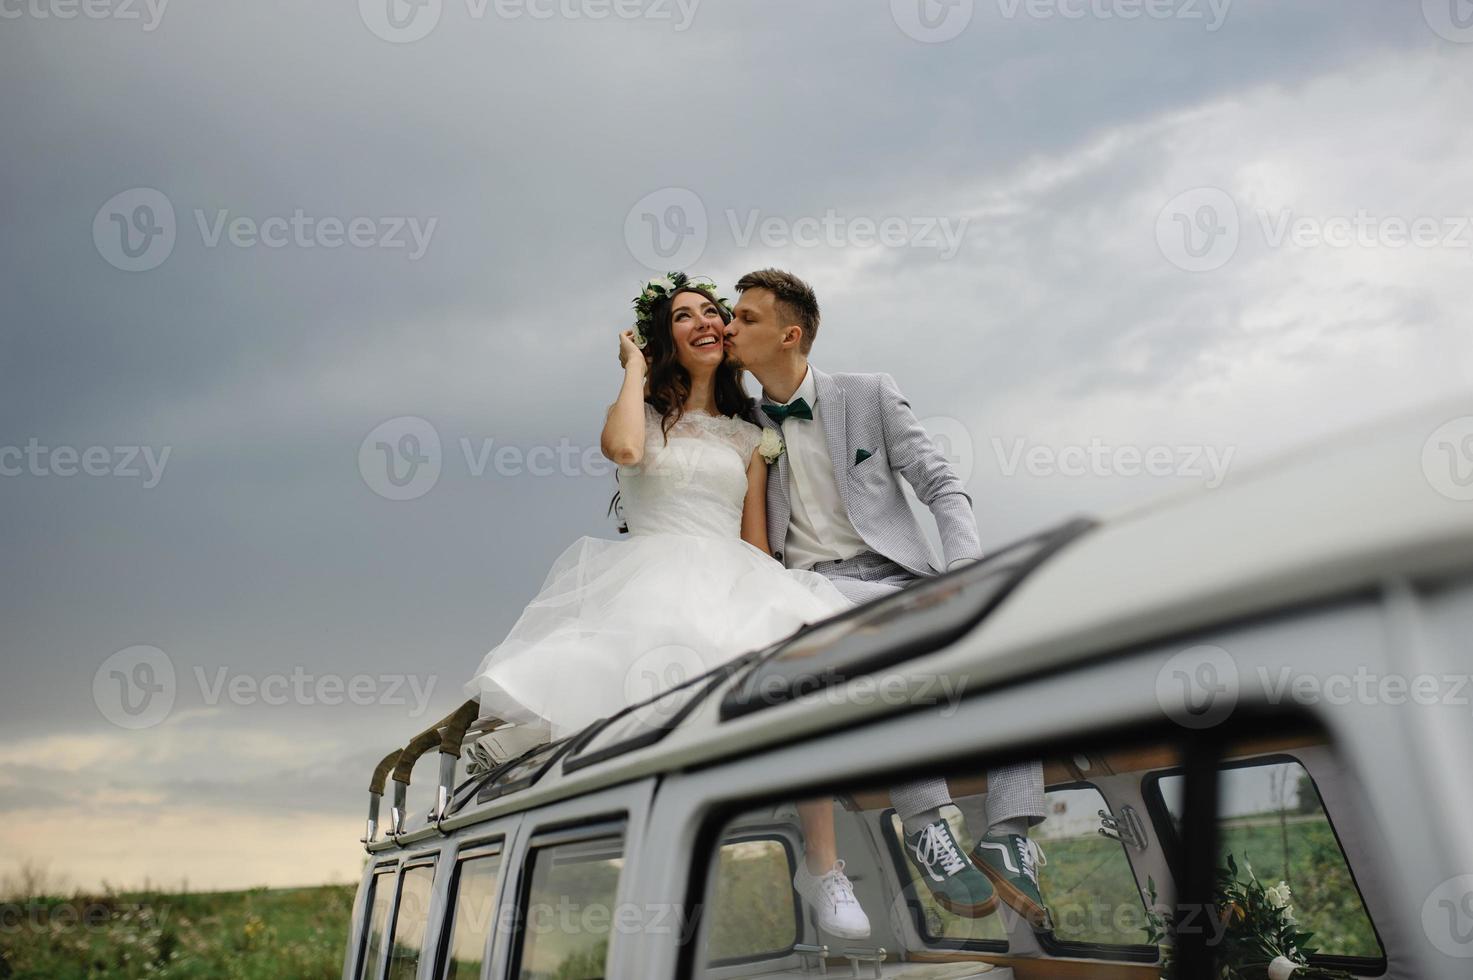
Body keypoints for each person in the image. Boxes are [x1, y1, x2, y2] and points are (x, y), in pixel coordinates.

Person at [463, 273, 870, 939]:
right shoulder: (641, 416)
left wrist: (778, 598)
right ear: (663, 339)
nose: (706, 321)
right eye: (685, 316)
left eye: (713, 312)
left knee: (802, 681)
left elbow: (755, 541)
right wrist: (633, 370)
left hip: (733, 572)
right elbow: (623, 450)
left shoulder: (749, 436)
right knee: (642, 693)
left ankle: (823, 868)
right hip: (651, 571)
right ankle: (662, 881)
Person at [722, 268, 1052, 928]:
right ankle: (926, 827)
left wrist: (963, 573)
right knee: (875, 652)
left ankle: (1010, 830)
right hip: (814, 584)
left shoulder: (868, 395)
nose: (729, 327)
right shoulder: (742, 428)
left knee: (1007, 641)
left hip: (901, 575)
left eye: (746, 318)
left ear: (791, 335)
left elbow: (942, 486)